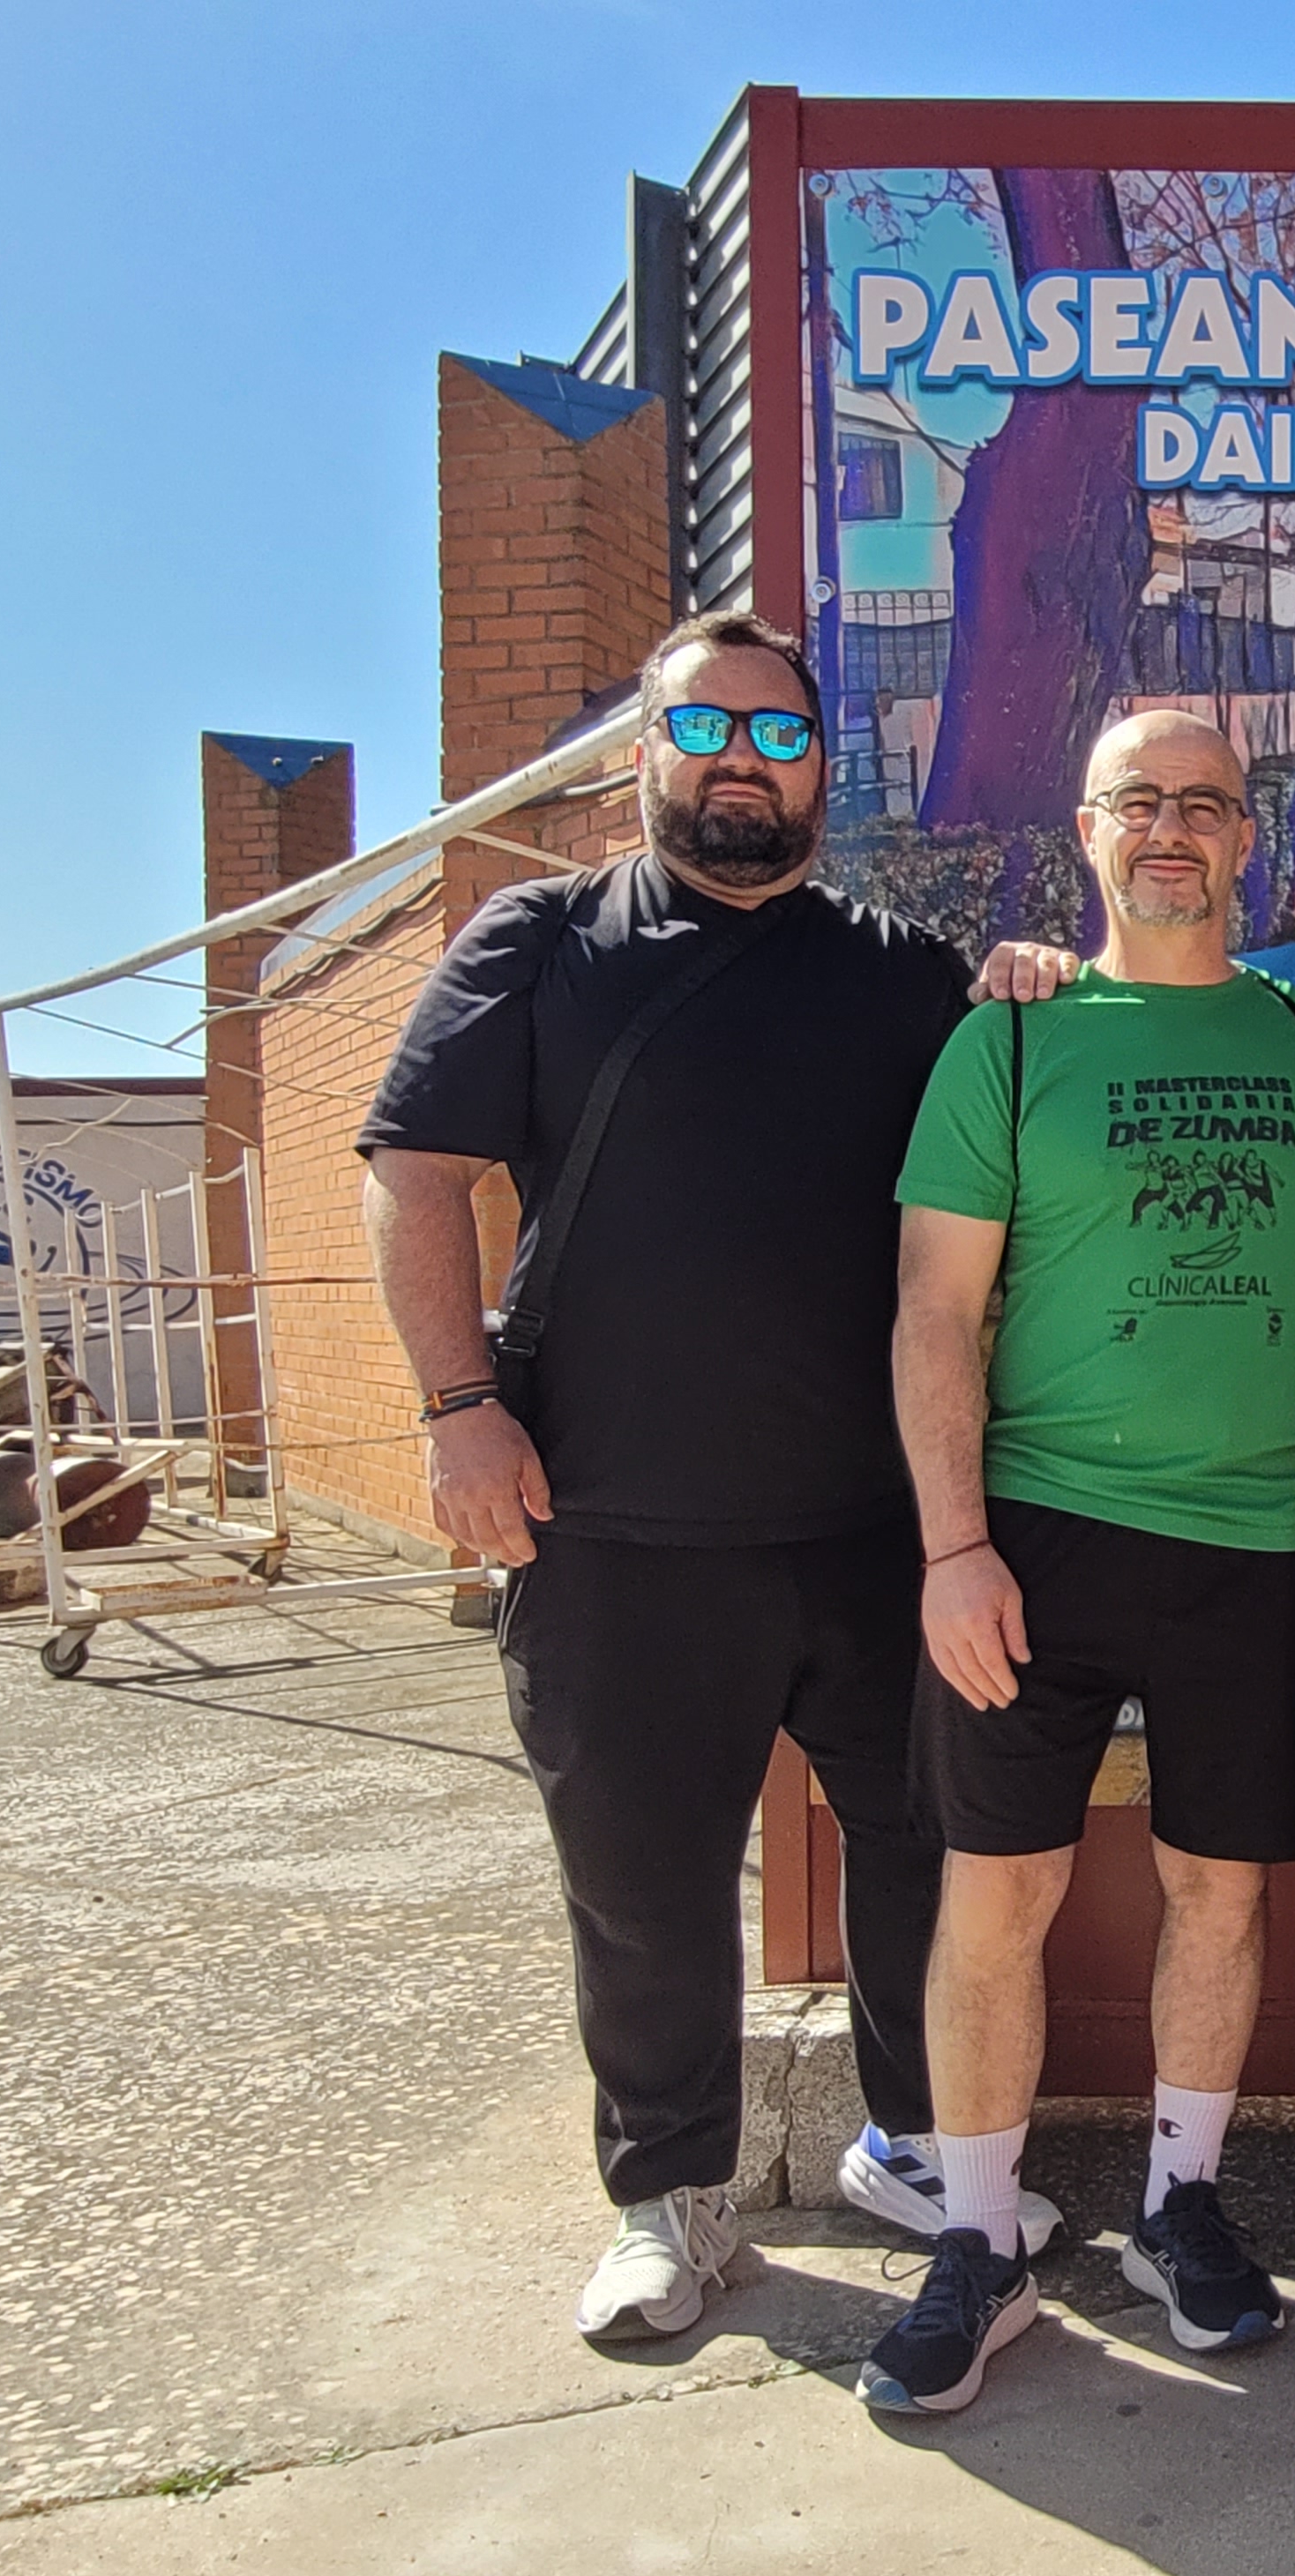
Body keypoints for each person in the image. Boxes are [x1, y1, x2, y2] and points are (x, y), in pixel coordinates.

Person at [362, 609, 1045, 2346]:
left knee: (925, 1844)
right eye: (707, 727)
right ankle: (670, 2198)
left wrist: (1024, 990)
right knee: (646, 1883)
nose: (745, 758)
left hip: (875, 1527)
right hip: (610, 1527)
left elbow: (1003, 1134)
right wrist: (458, 1410)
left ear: (827, 765)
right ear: (645, 756)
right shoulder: (538, 941)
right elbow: (416, 1177)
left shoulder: (899, 966)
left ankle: (907, 2146)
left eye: (783, 734)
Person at [855, 711, 1295, 2416]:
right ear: (1086, 831)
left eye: (1205, 805)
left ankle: (1181, 2205)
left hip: (1262, 1535)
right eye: (1139, 802)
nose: (1173, 830)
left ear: (1248, 837)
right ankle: (983, 2238)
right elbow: (934, 1313)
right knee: (997, 1893)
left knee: (1221, 1888)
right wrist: (950, 1549)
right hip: (1040, 1537)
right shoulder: (1005, 1045)